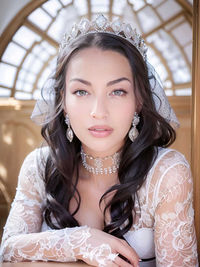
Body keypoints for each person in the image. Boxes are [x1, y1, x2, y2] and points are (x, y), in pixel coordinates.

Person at [0, 14, 198, 267]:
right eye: (81, 91)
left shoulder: (167, 173)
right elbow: (8, 250)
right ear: (63, 100)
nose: (98, 111)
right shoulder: (38, 167)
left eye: (117, 91)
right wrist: (80, 240)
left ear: (138, 99)